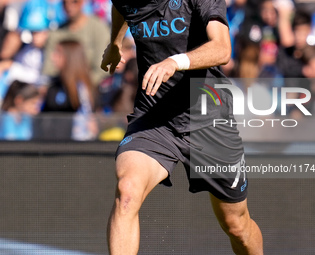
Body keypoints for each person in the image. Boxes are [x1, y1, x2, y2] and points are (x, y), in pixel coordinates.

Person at [101, 0, 263, 254]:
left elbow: (222, 49)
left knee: (236, 226)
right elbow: (120, 7)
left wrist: (175, 62)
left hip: (209, 120)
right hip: (154, 118)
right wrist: (115, 43)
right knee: (127, 192)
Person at [42, 0, 110, 87]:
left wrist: (81, 87)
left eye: (74, 1)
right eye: (64, 2)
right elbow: (49, 69)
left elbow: (102, 69)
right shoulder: (56, 33)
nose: (68, 6)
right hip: (60, 88)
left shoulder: (98, 28)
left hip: (91, 89)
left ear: (83, 2)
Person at [42, 39, 98, 140]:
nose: (52, 57)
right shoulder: (53, 86)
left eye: (58, 53)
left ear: (70, 57)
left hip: (75, 146)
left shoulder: (82, 88)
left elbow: (87, 121)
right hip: (51, 143)